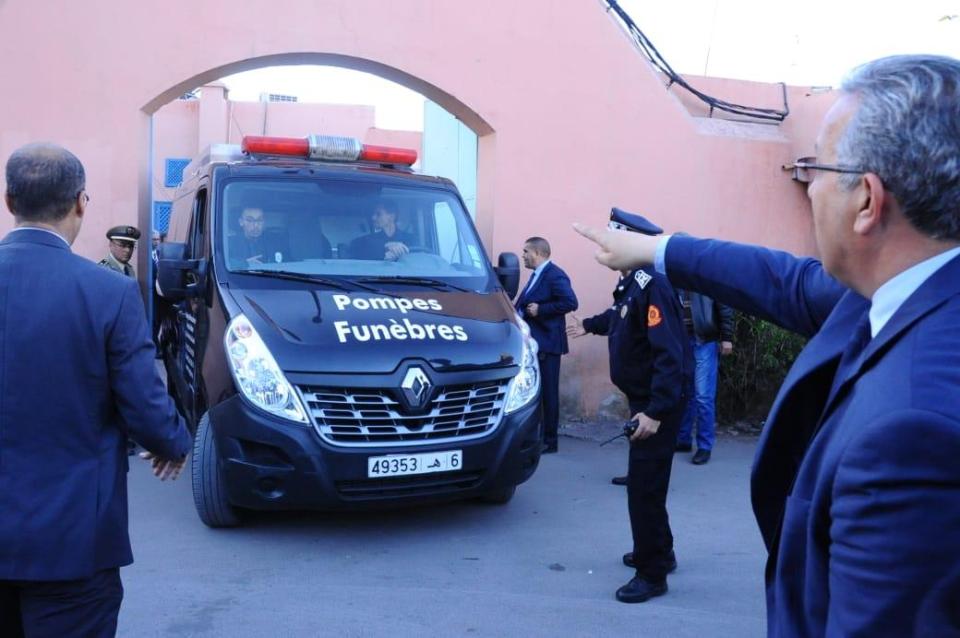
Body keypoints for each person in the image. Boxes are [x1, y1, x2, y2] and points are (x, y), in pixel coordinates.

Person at [574, 55, 960, 635]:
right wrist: (657, 249)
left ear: (867, 202)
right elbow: (784, 279)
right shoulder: (904, 286)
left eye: (814, 171)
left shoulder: (911, 431)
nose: (807, 191)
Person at [0, 143, 192, 636]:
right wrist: (170, 442)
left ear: (8, 201)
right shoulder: (107, 291)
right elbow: (144, 401)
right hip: (72, 542)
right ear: (81, 203)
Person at [566, 209, 690, 603]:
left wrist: (655, 411)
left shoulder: (652, 284)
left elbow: (670, 355)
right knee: (648, 486)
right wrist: (590, 324)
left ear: (630, 242)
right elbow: (620, 320)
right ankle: (661, 551)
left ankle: (651, 573)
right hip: (646, 399)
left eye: (610, 237)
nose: (604, 246)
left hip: (657, 404)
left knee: (643, 488)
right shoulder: (633, 286)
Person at [515, 236, 578, 453]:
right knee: (537, 392)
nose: (522, 255)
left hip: (549, 344)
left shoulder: (554, 275)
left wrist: (541, 310)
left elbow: (571, 302)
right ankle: (539, 436)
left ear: (539, 253)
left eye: (526, 251)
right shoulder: (537, 275)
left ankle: (550, 441)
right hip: (536, 343)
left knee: (549, 393)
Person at [675, 287, 734, 464]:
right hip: (681, 341)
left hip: (704, 340)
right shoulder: (672, 273)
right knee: (686, 392)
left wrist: (727, 337)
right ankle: (683, 440)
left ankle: (704, 446)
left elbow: (724, 304)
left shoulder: (702, 273)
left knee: (703, 396)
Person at [349, 199, 415, 260]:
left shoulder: (411, 240)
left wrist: (400, 254)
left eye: (378, 214)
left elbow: (417, 261)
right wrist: (384, 247)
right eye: (373, 214)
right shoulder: (366, 241)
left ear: (392, 217)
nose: (373, 218)